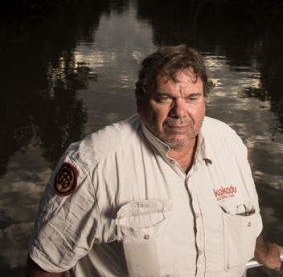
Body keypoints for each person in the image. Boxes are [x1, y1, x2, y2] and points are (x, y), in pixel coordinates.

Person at [27, 45, 283, 277]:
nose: (180, 112)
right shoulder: (92, 165)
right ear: (140, 100)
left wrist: (263, 253)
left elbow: (246, 214)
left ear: (204, 99)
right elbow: (45, 267)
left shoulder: (229, 143)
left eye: (192, 98)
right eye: (164, 98)